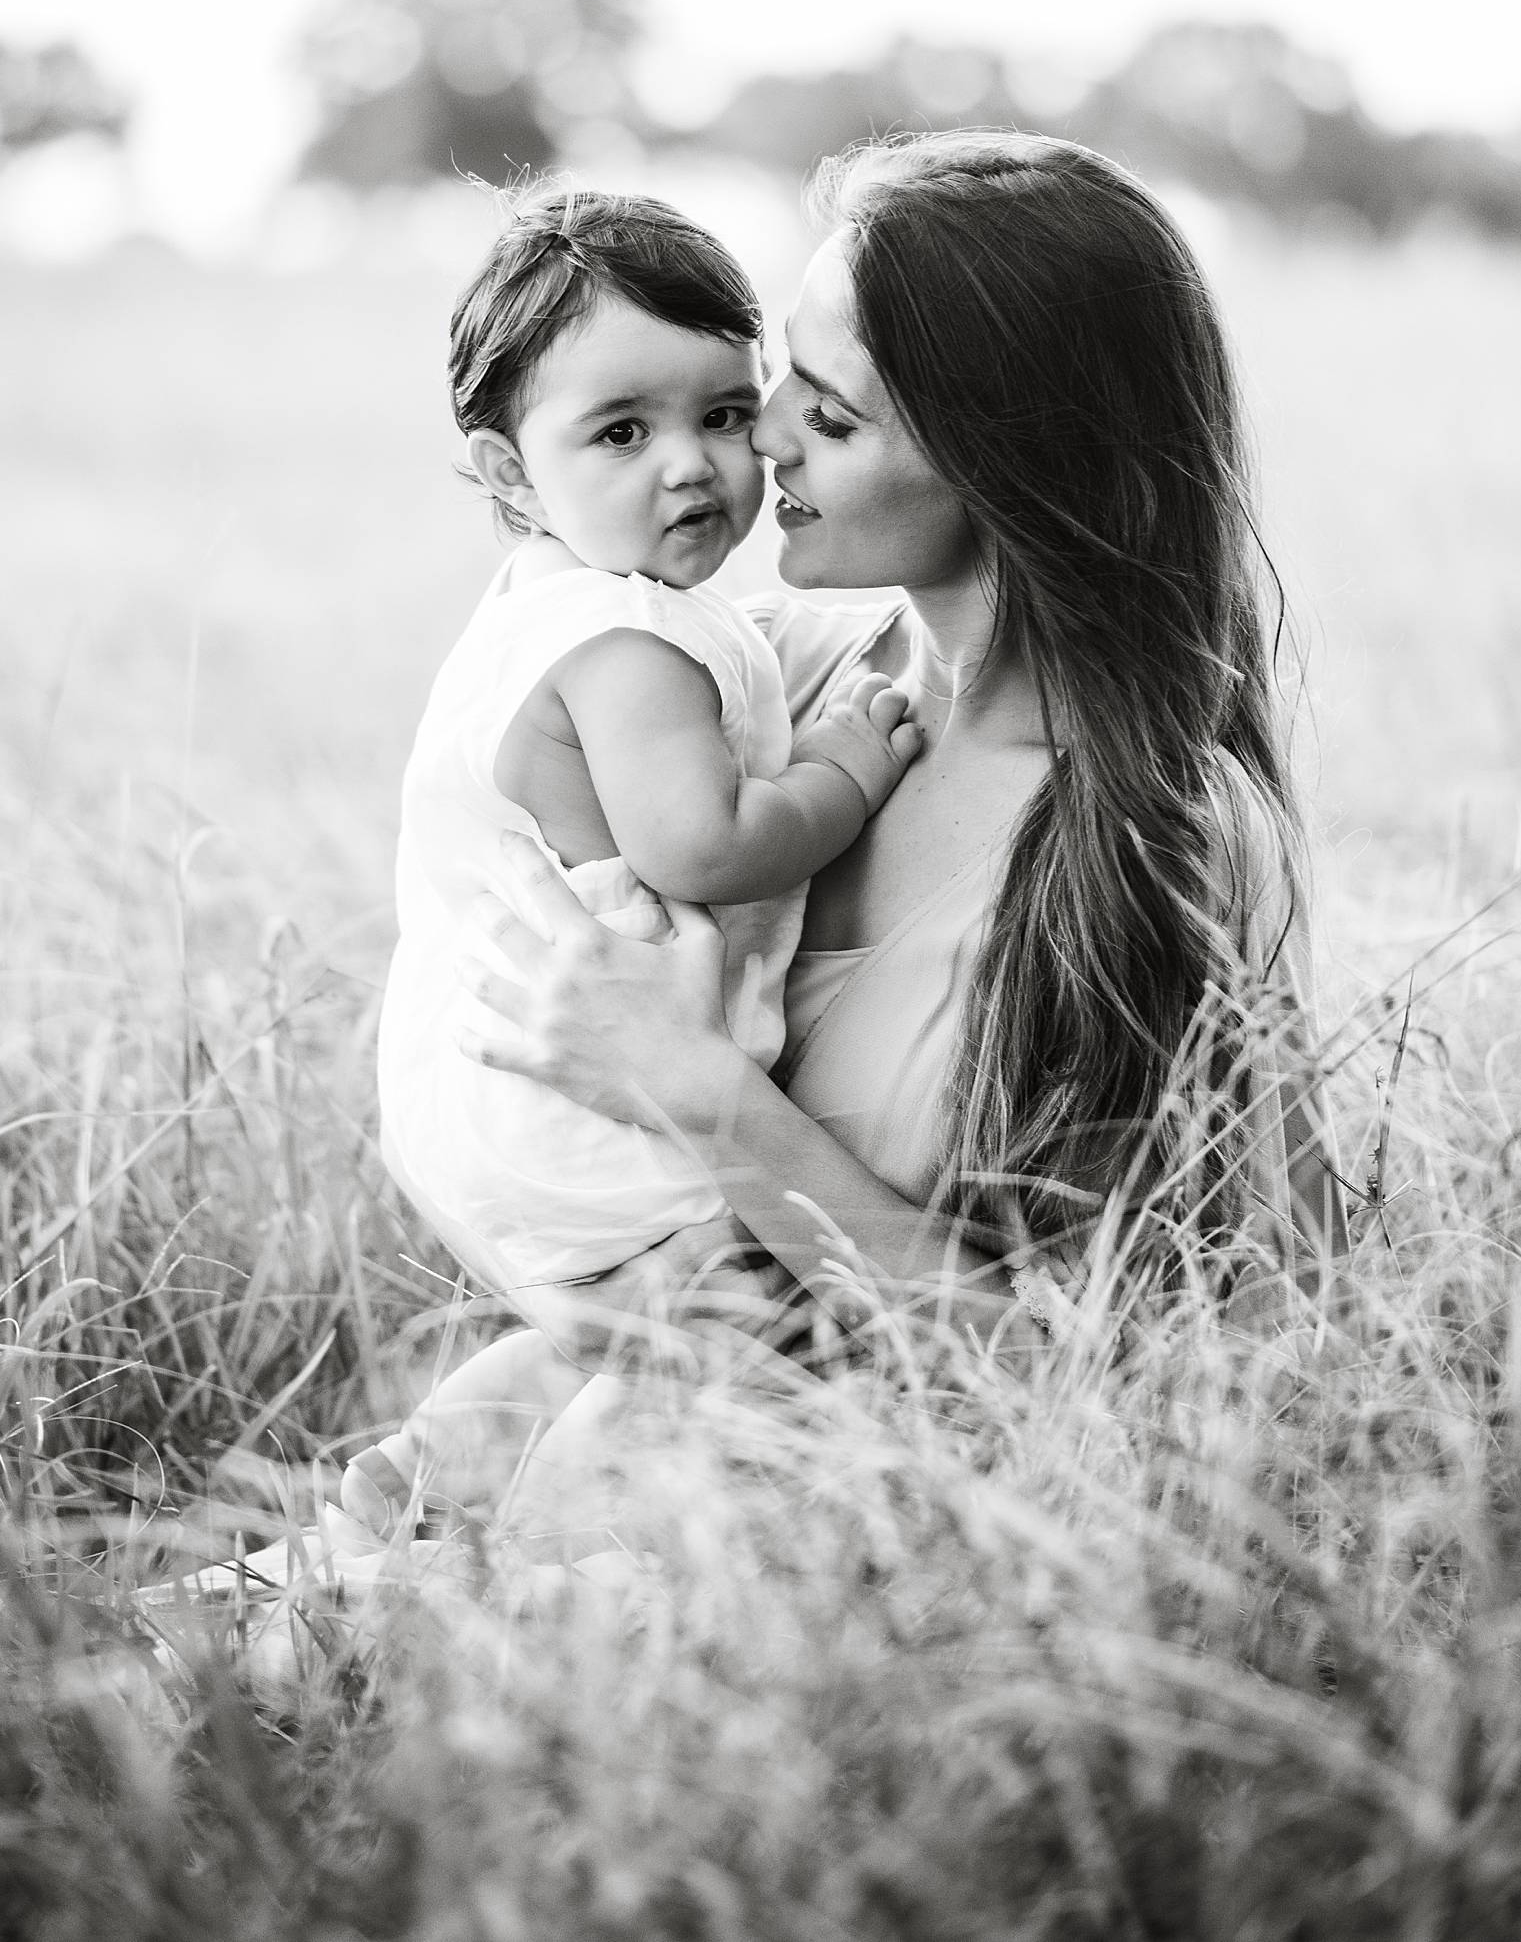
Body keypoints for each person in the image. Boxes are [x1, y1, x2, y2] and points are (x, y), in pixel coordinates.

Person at [339, 130, 1347, 1548]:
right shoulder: (765, 681)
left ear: (1008, 458)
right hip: (619, 1449)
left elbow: (1128, 1389)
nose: (757, 444)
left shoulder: (1160, 846)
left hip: (869, 1551)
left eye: (831, 412)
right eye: (778, 385)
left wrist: (702, 1094)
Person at [377, 186, 920, 1331]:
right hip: (584, 1108)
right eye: (623, 432)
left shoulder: (557, 594)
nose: (693, 466)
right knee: (739, 1318)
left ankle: (462, 1464)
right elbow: (703, 849)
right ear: (510, 472)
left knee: (626, 1341)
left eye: (723, 415)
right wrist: (847, 770)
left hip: (496, 1088)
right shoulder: (624, 640)